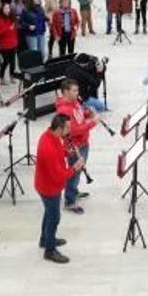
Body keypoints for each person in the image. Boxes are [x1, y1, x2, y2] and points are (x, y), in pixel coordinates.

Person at [34, 114, 83, 264]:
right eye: (68, 127)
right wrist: (75, 167)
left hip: (45, 183)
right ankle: (49, 251)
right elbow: (60, 176)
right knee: (54, 218)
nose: (70, 130)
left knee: (48, 213)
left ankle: (44, 239)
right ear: (60, 128)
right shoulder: (49, 148)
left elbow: (59, 149)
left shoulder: (50, 135)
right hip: (50, 188)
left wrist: (68, 152)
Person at [53, 78, 98, 214]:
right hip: (74, 146)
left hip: (83, 142)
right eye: (74, 90)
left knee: (77, 172)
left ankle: (74, 191)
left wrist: (87, 113)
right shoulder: (64, 110)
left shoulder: (74, 102)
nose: (78, 92)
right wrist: (92, 122)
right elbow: (73, 130)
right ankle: (69, 201)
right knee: (74, 172)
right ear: (65, 92)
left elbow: (78, 116)